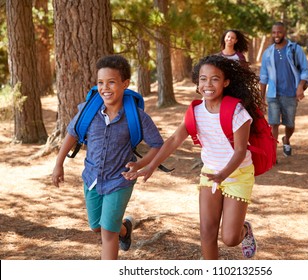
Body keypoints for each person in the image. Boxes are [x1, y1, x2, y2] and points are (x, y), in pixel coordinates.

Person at [124, 55, 266, 260]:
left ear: (225, 82)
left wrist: (224, 174)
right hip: (210, 173)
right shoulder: (196, 112)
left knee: (230, 238)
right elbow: (174, 139)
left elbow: (240, 151)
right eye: (203, 79)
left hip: (237, 173)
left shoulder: (237, 111)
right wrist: (151, 165)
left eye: (215, 79)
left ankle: (244, 230)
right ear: (197, 83)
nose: (208, 84)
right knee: (207, 233)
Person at [51, 54, 164, 260]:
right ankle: (124, 229)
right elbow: (72, 133)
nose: (105, 88)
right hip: (92, 178)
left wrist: (140, 164)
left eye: (111, 82)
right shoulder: (88, 111)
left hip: (120, 180)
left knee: (107, 233)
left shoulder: (136, 116)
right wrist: (59, 164)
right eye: (100, 83)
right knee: (96, 226)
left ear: (125, 84)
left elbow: (158, 145)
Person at [259, 22, 308, 159]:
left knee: (290, 124)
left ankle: (286, 139)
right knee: (273, 123)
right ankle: (272, 155)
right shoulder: (268, 53)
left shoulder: (295, 49)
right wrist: (261, 97)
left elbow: (305, 69)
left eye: (279, 32)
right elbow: (263, 77)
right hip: (273, 94)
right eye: (274, 32)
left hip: (290, 93)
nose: (276, 35)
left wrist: (300, 86)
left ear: (284, 32)